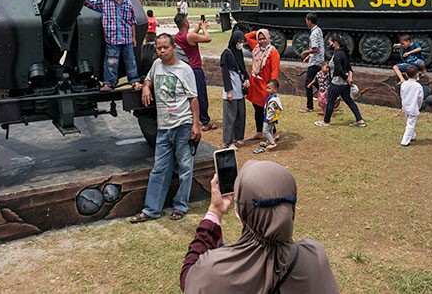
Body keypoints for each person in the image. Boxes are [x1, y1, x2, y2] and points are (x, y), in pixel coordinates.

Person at [180, 160, 340, 294]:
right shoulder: (315, 256)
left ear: (240, 211)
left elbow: (189, 280)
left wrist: (215, 211)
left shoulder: (213, 271)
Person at [130, 33, 200, 223]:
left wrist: (196, 124)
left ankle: (180, 206)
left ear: (173, 48)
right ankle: (152, 209)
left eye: (165, 47)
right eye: (158, 48)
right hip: (164, 127)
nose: (162, 51)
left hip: (182, 125)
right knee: (159, 169)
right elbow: (149, 79)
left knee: (185, 167)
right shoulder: (156, 65)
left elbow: (193, 98)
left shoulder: (184, 70)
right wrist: (146, 86)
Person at [85, 0, 141, 91]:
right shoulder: (105, 2)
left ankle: (134, 81)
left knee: (130, 61)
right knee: (111, 62)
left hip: (127, 39)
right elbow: (90, 3)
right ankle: (109, 83)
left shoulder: (128, 3)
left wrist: (134, 38)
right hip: (112, 40)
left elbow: (132, 22)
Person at [175, 14, 216, 131]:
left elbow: (191, 36)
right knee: (201, 95)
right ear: (185, 23)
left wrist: (198, 27)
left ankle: (194, 118)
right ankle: (205, 121)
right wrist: (204, 28)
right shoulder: (190, 36)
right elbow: (208, 38)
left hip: (187, 69)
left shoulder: (178, 36)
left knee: (191, 94)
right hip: (195, 69)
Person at [315, 35, 367, 128]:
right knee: (349, 101)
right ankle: (360, 120)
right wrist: (349, 77)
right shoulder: (344, 53)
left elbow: (338, 70)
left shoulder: (337, 54)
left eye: (330, 43)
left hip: (337, 82)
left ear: (336, 43)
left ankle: (326, 121)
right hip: (345, 84)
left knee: (330, 101)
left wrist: (347, 77)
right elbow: (348, 67)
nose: (329, 44)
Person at [245, 29, 281, 140]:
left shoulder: (273, 53)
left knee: (267, 110)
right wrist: (259, 31)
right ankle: (259, 132)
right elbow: (247, 36)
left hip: (265, 86)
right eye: (259, 39)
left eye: (264, 38)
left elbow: (275, 71)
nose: (261, 41)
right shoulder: (256, 47)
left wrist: (272, 88)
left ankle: (274, 133)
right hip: (255, 84)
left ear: (268, 38)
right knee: (257, 108)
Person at [220, 30, 249, 149]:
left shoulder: (239, 52)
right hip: (231, 86)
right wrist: (229, 90)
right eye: (240, 42)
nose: (241, 44)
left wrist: (246, 78)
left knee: (240, 114)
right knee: (230, 116)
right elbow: (225, 73)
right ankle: (228, 140)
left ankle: (238, 136)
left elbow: (242, 68)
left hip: (240, 87)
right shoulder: (226, 54)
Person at [299, 12, 324, 113]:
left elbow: (315, 48)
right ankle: (331, 96)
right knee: (317, 81)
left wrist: (305, 52)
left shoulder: (314, 33)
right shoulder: (318, 30)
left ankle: (310, 106)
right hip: (319, 60)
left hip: (315, 62)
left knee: (308, 83)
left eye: (306, 20)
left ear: (309, 21)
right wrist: (309, 56)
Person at [255, 79, 283, 153]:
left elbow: (271, 110)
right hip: (272, 118)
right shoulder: (274, 97)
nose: (267, 90)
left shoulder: (273, 100)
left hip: (269, 118)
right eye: (267, 88)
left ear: (275, 89)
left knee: (265, 131)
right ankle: (269, 142)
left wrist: (268, 118)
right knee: (270, 130)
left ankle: (273, 143)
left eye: (269, 88)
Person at [399, 66, 424, 147]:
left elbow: (402, 95)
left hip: (405, 105)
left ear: (406, 75)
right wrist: (418, 106)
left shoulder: (404, 84)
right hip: (413, 107)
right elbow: (420, 98)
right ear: (417, 75)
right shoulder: (418, 86)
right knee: (410, 124)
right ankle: (405, 141)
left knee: (408, 121)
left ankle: (412, 136)